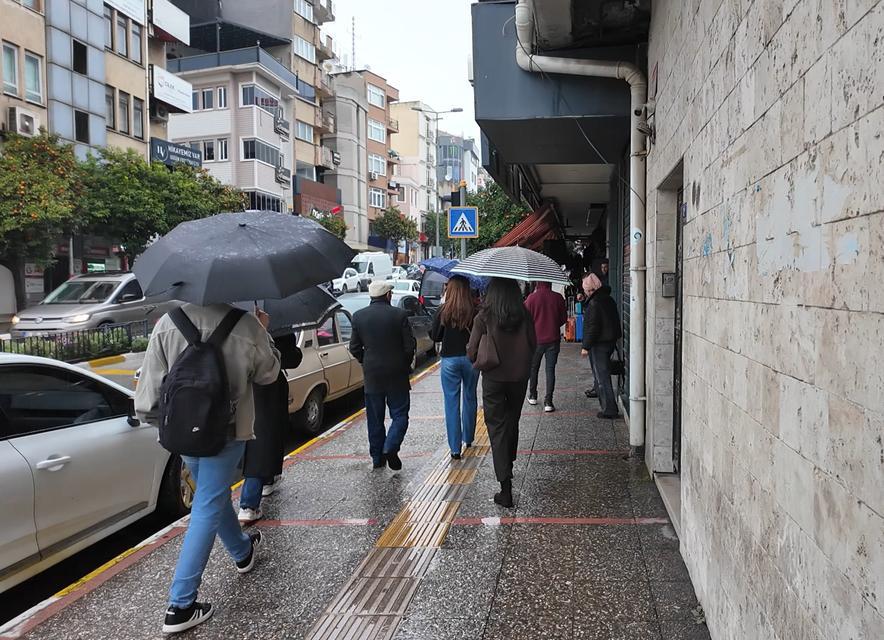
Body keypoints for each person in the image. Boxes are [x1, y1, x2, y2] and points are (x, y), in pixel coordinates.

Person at [135, 303, 280, 634]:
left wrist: (166, 424)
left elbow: (148, 392)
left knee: (211, 497)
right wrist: (263, 331)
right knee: (207, 505)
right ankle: (181, 605)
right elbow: (269, 373)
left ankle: (242, 551)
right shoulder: (246, 324)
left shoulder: (168, 323)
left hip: (183, 432)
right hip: (226, 432)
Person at [467, 278, 536, 508]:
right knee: (512, 421)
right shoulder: (524, 314)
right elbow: (533, 343)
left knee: (497, 427)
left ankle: (505, 487)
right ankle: (509, 463)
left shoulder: (484, 316)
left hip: (493, 377)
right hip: (519, 377)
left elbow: (472, 351)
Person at [349, 281, 417, 470]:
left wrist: (366, 361)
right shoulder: (399, 315)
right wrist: (403, 364)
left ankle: (377, 457)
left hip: (372, 375)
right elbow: (409, 346)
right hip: (397, 373)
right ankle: (391, 445)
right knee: (400, 414)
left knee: (374, 418)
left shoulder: (358, 316)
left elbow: (354, 347)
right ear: (388, 295)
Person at [238, 331, 302, 524]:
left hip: (243, 388)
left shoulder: (238, 325)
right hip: (267, 388)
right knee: (263, 438)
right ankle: (248, 504)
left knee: (265, 436)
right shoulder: (271, 329)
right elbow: (291, 358)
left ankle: (268, 479)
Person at [431, 276, 479, 459]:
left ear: (449, 290)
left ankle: (455, 449)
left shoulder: (443, 310)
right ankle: (469, 437)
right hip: (471, 359)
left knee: (451, 402)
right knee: (470, 396)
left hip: (450, 360)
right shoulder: (474, 310)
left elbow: (435, 336)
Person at [581, 273, 622, 419]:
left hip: (600, 344)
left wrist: (586, 346)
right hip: (609, 340)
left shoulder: (594, 303)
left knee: (602, 376)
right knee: (603, 375)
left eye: (585, 289)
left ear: (589, 289)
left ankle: (609, 409)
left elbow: (593, 327)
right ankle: (608, 406)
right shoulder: (607, 299)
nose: (585, 292)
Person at [524, 281, 568, 412]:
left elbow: (525, 318)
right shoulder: (558, 298)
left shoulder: (531, 298)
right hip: (553, 339)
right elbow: (563, 318)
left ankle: (533, 395)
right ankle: (548, 401)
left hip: (536, 340)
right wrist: (553, 324)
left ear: (537, 283)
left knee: (533, 368)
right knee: (550, 370)